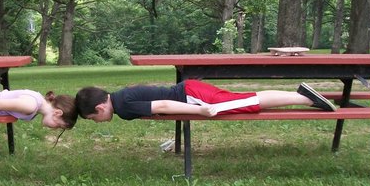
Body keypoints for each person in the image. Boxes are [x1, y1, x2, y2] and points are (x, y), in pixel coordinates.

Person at [75, 80, 336, 122]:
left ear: (100, 108)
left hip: (194, 98)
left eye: (94, 119)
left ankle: (305, 97)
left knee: (249, 101)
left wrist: (201, 111)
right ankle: (304, 96)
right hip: (189, 91)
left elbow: (163, 106)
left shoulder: (122, 107)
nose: (99, 121)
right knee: (244, 99)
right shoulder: (120, 96)